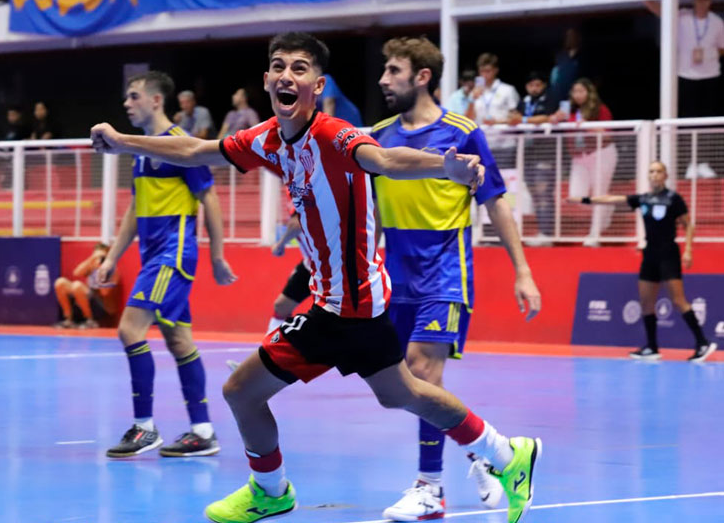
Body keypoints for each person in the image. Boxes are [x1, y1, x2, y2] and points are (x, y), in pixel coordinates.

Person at [90, 32, 541, 523]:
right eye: (278, 66)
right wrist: (119, 142)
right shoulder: (264, 139)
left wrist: (443, 166)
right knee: (379, 392)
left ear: (317, 85)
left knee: (365, 390)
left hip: (356, 304)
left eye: (300, 68)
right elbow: (198, 149)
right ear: (266, 81)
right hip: (328, 302)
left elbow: (385, 160)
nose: (287, 75)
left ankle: (281, 489)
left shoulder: (335, 134)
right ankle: (504, 453)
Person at [372, 36, 543, 521]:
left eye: (394, 71)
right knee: (401, 388)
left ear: (422, 76)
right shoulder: (379, 135)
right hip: (395, 279)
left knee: (423, 369)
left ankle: (430, 490)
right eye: (384, 70)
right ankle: (489, 453)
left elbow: (496, 201)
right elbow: (375, 214)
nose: (384, 80)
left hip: (446, 273)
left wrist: (523, 271)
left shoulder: (463, 132)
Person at [94, 71, 237, 459]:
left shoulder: (180, 146)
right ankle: (203, 431)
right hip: (152, 257)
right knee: (178, 341)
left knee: (129, 329)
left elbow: (209, 198)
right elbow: (135, 210)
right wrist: (111, 257)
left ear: (156, 101)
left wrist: (218, 254)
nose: (127, 103)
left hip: (171, 257)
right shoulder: (141, 150)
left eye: (134, 96)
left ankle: (144, 428)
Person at [570, 161, 716, 362]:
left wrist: (688, 250)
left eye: (658, 171)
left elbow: (688, 225)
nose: (654, 174)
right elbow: (613, 199)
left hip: (668, 253)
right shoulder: (644, 199)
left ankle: (702, 343)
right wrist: (584, 199)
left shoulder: (674, 198)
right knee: (646, 302)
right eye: (651, 171)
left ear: (665, 175)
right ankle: (652, 347)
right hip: (650, 253)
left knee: (678, 300)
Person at [552, 78, 616, 247]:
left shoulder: (600, 109)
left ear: (589, 92)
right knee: (576, 195)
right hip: (579, 157)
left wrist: (588, 125)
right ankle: (608, 208)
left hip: (601, 153)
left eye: (581, 91)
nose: (578, 95)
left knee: (599, 193)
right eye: (575, 91)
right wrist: (555, 118)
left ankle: (594, 235)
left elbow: (608, 134)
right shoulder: (570, 111)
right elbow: (554, 123)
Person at [643, 0, 724, 118]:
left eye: (705, 0)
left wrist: (709, 56)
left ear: (710, 2)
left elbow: (722, 47)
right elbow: (660, 11)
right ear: (694, 1)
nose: (702, 3)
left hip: (711, 75)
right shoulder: (683, 16)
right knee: (687, 114)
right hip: (685, 74)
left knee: (710, 114)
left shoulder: (717, 21)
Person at [510, 72, 558, 244]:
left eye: (538, 85)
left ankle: (547, 234)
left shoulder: (551, 99)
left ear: (543, 85)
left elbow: (549, 117)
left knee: (544, 193)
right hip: (527, 154)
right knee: (535, 194)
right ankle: (542, 232)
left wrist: (523, 119)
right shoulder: (525, 102)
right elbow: (512, 118)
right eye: (531, 85)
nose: (535, 88)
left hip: (545, 153)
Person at [466, 53, 520, 168]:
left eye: (488, 71)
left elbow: (515, 118)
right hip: (482, 144)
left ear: (495, 70)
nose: (485, 75)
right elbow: (468, 119)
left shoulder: (507, 90)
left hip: (504, 145)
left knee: (505, 181)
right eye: (482, 71)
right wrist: (472, 99)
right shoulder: (474, 92)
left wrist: (497, 122)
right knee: (483, 182)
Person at [53, 243, 121, 329]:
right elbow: (76, 273)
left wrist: (101, 271)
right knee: (60, 282)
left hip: (102, 307)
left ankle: (90, 321)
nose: (99, 259)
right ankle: (68, 319)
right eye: (96, 256)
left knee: (77, 286)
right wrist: (91, 259)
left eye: (101, 256)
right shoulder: (91, 266)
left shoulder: (113, 271)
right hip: (85, 301)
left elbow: (105, 293)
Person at [549, 28, 589, 107]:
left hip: (579, 96)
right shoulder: (560, 55)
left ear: (579, 38)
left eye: (573, 36)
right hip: (560, 95)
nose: (570, 38)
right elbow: (555, 74)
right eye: (568, 36)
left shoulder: (585, 55)